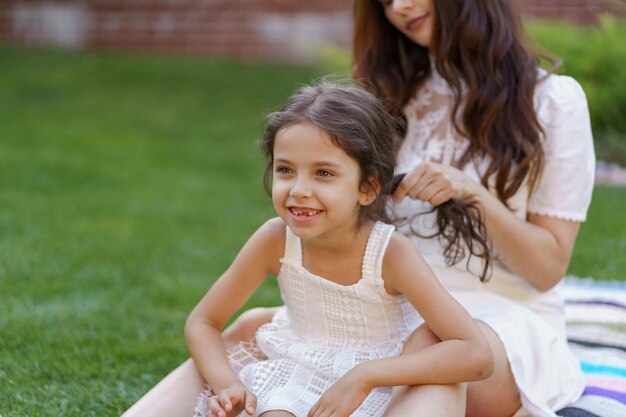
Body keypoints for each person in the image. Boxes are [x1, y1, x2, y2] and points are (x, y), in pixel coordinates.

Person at [122, 1, 595, 417]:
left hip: (497, 317)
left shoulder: (554, 101)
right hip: (381, 302)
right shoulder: (395, 93)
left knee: (431, 339)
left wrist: (472, 194)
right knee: (254, 327)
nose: (400, 7)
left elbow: (548, 266)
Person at [187, 81, 493, 417]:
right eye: (286, 170)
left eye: (323, 173)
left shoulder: (389, 253)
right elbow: (203, 321)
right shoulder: (276, 239)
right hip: (302, 374)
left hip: (392, 380)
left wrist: (365, 376)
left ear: (367, 188)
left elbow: (476, 354)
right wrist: (227, 384)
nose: (299, 190)